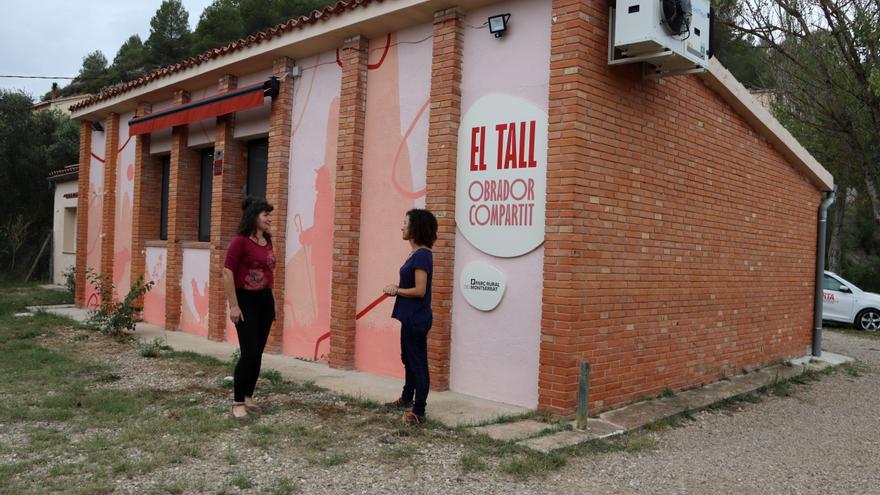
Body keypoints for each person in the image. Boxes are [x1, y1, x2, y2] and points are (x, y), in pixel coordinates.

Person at [223, 197, 277, 420]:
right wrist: (233, 306)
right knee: (249, 352)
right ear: (254, 217)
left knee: (258, 351)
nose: (269, 219)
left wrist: (272, 301)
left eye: (269, 215)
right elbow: (227, 272)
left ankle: (248, 396)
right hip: (245, 300)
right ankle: (237, 403)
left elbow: (269, 271)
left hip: (264, 299)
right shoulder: (240, 241)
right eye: (265, 215)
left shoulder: (268, 240)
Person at [384, 209, 438, 425]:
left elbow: (419, 291)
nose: (401, 226)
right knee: (408, 359)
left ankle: (419, 411)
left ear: (415, 228)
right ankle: (407, 398)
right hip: (409, 317)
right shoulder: (415, 254)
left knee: (418, 363)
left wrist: (396, 290)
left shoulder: (423, 255)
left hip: (417, 318)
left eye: (405, 223)